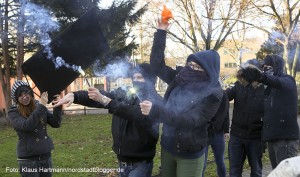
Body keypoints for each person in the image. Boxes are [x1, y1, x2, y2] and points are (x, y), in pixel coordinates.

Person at [140, 19, 223, 177]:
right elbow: (157, 65)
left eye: (197, 67)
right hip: (168, 146)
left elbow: (190, 120)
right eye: (190, 64)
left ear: (209, 72)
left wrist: (157, 111)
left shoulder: (213, 95)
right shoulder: (180, 77)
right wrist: (161, 32)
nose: (191, 69)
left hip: (190, 152)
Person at [54, 63, 162, 177]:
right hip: (122, 161)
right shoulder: (127, 93)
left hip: (140, 164)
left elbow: (133, 113)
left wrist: (106, 101)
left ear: (150, 79)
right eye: (134, 77)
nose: (135, 80)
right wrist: (75, 96)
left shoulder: (154, 100)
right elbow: (102, 96)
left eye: (139, 77)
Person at [242, 55, 299, 169]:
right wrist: (264, 138)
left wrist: (262, 77)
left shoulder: (288, 80)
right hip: (272, 139)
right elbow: (267, 115)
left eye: (268, 67)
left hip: (285, 139)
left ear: (276, 67)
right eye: (263, 67)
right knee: (277, 172)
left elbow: (278, 82)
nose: (265, 69)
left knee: (286, 173)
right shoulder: (268, 88)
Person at [8, 80, 62, 177]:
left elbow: (56, 123)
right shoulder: (13, 112)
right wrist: (42, 106)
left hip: (45, 155)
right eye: (20, 96)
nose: (24, 97)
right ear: (16, 98)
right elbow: (27, 126)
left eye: (26, 93)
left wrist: (57, 105)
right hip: (28, 159)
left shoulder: (38, 105)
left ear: (31, 93)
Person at [225, 59, 265, 177]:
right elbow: (225, 97)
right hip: (236, 136)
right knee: (234, 171)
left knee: (256, 171)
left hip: (256, 137)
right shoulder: (238, 85)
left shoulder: (265, 88)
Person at [202, 91, 230, 177]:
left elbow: (226, 113)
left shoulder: (223, 94)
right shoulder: (203, 91)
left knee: (220, 161)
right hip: (203, 134)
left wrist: (226, 130)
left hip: (218, 133)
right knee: (202, 164)